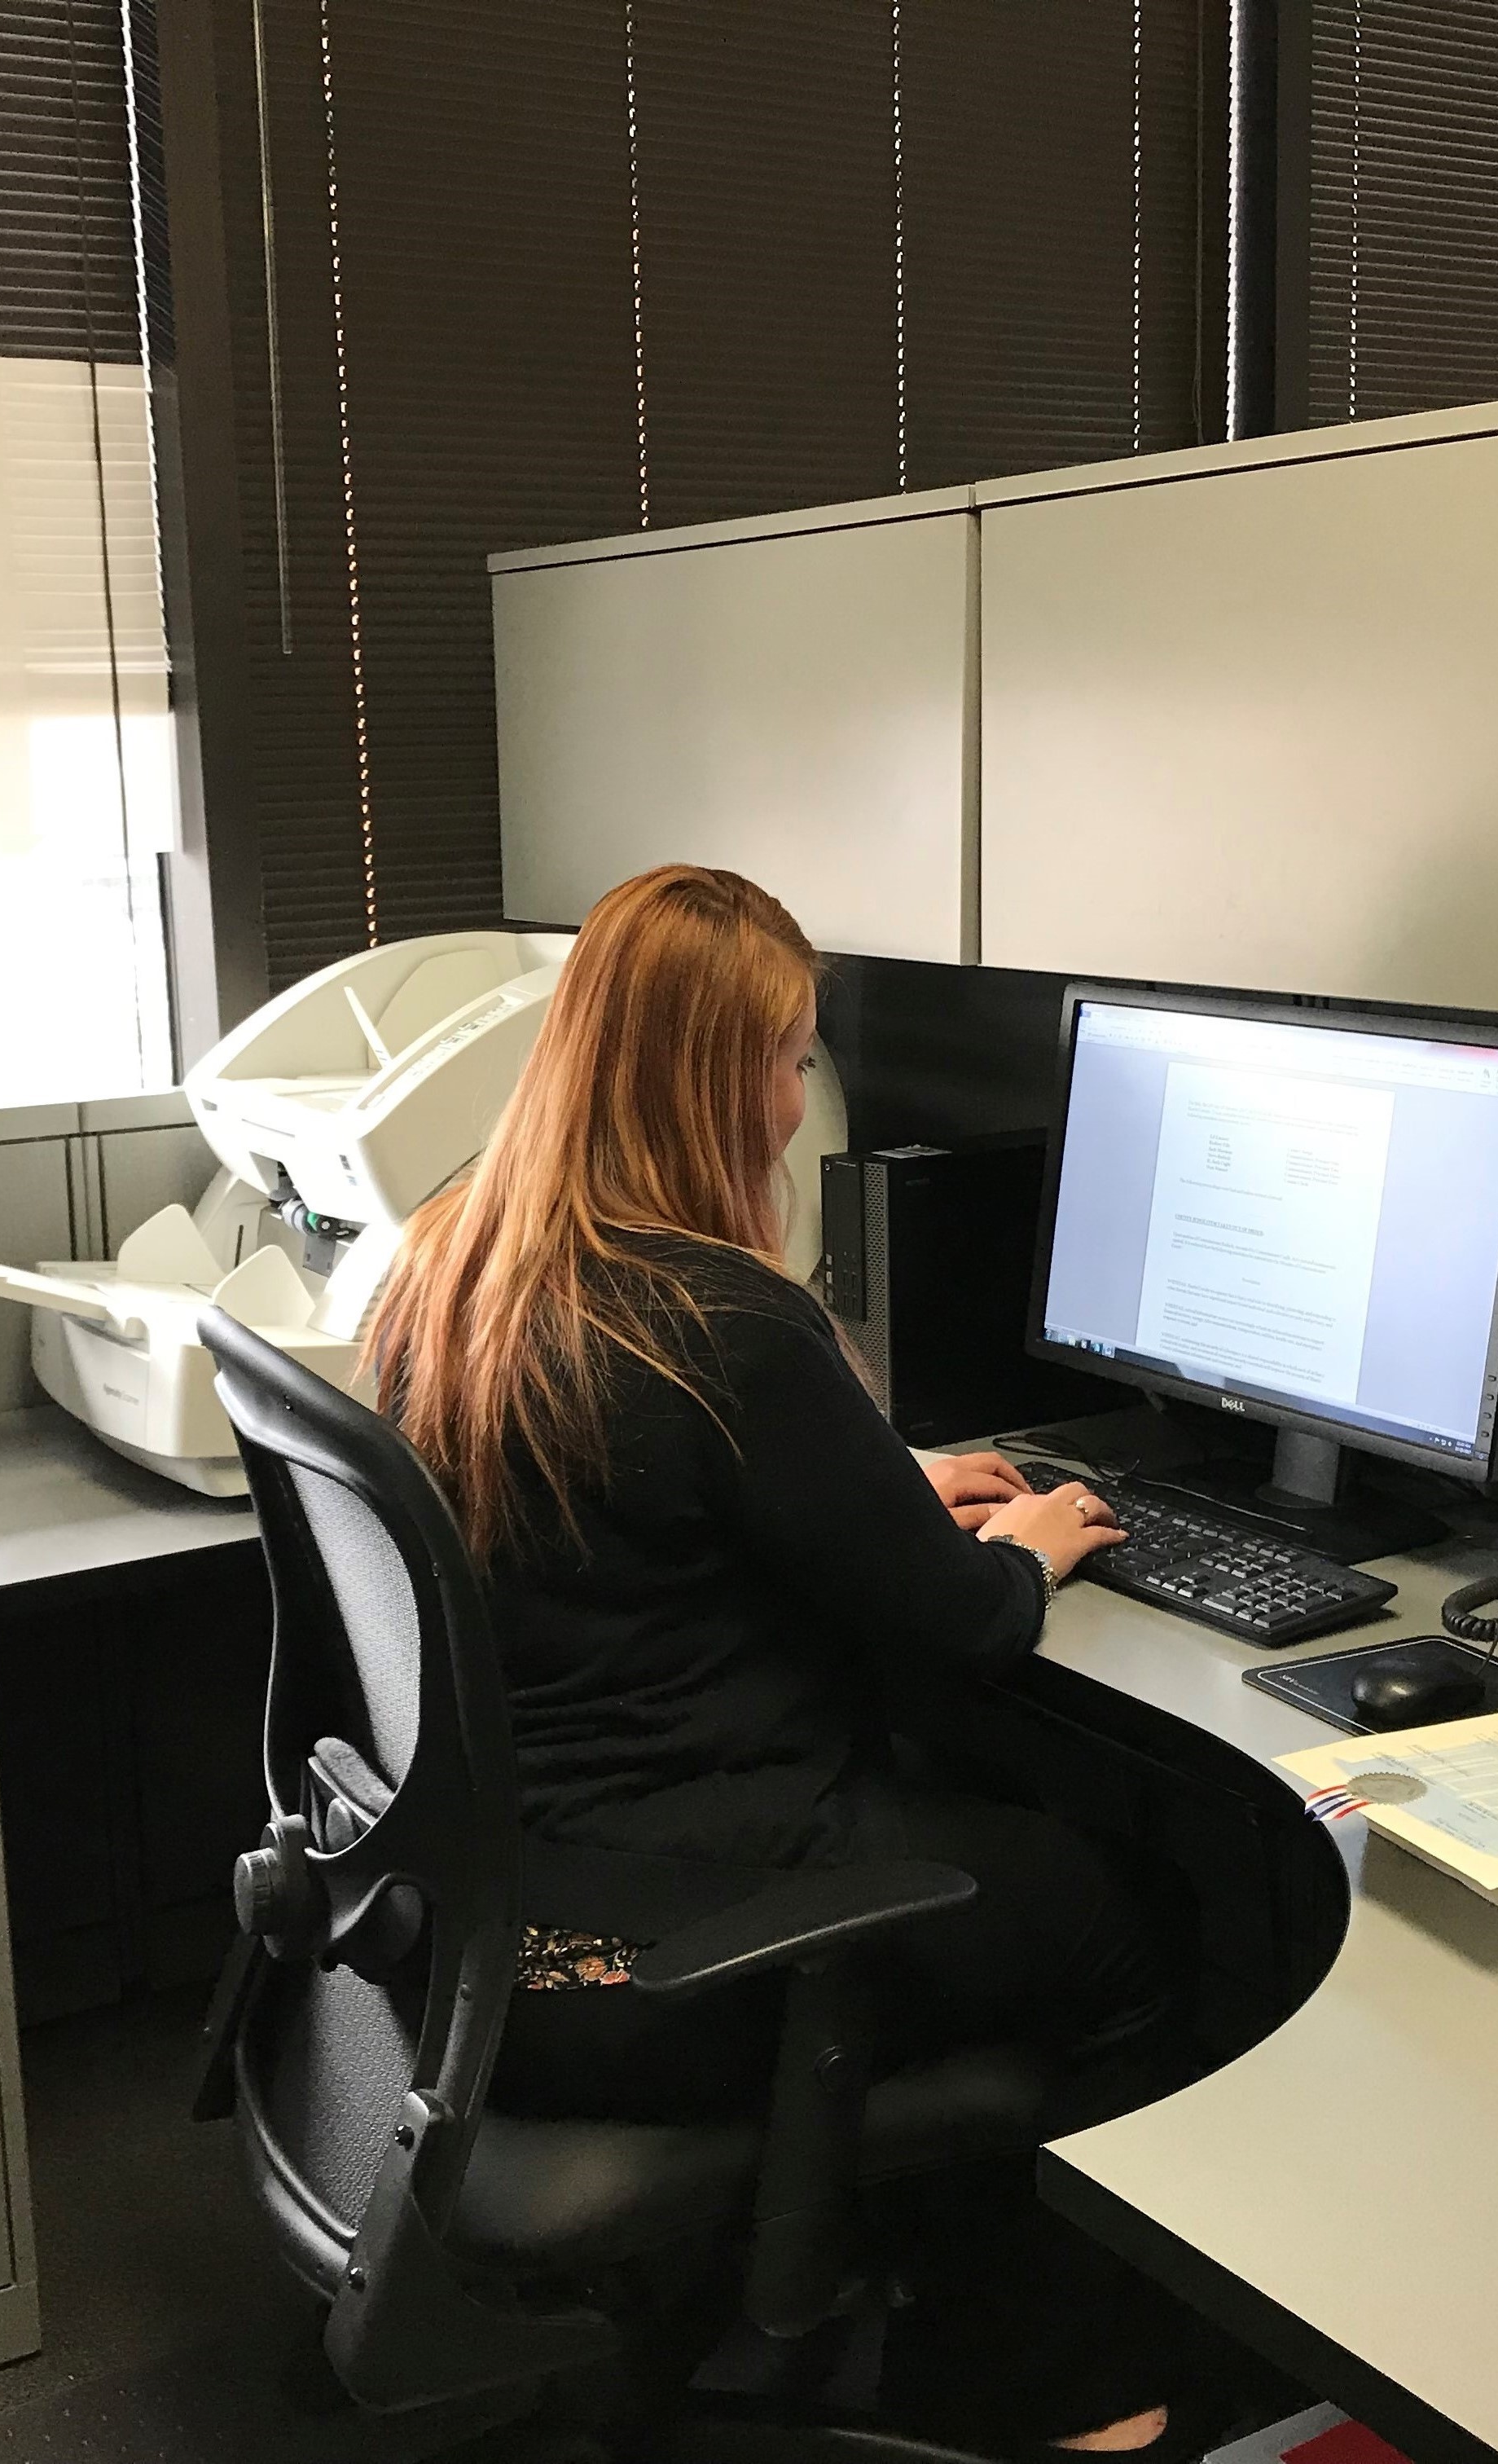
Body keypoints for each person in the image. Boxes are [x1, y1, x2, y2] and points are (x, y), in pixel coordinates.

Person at [368, 864, 1198, 2455]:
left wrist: (879, 1498)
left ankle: (900, 2283)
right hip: (657, 1947)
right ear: (714, 1080)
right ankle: (1055, 2387)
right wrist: (1020, 1549)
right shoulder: (718, 1321)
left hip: (503, 1929)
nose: (791, 1092)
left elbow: (651, 1525)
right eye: (786, 1054)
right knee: (1126, 1924)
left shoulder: (459, 1260)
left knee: (991, 1870)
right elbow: (960, 1628)